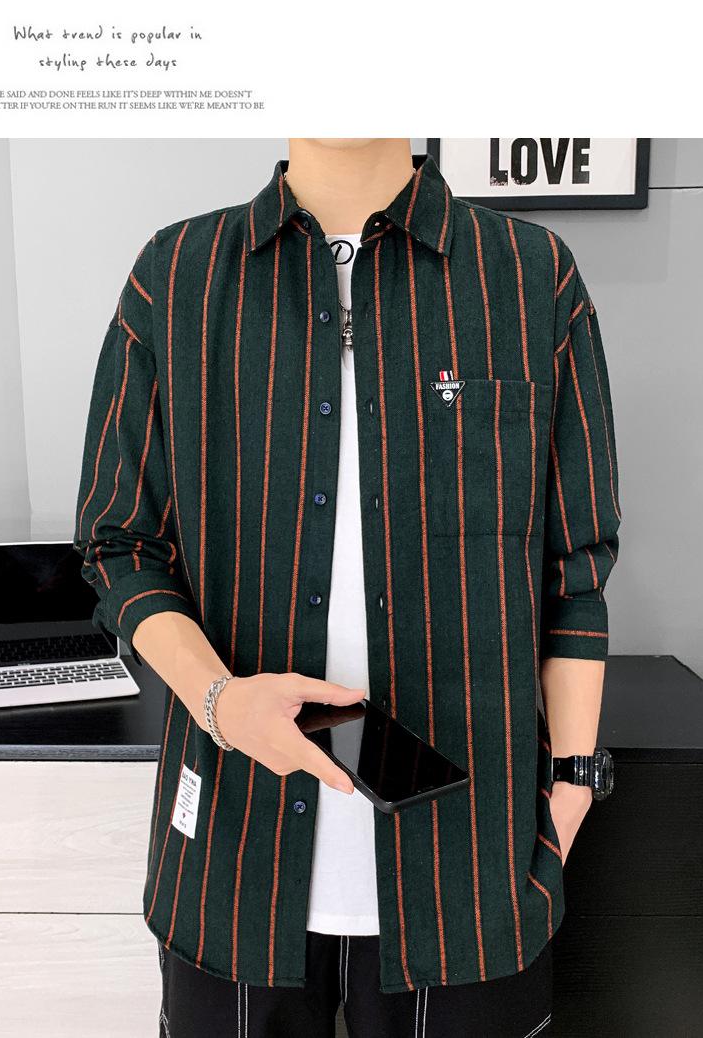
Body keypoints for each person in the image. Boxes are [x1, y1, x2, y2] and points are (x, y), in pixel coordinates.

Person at [74, 138, 621, 1037]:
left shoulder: (530, 276)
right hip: (233, 866)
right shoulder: (177, 276)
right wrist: (219, 702)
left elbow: (578, 570)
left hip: (471, 879)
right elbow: (120, 542)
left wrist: (568, 798)